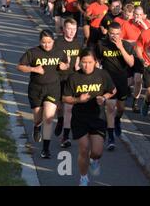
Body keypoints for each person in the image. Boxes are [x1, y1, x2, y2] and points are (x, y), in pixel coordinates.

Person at [62, 48, 116, 186]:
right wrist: (78, 100)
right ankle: (83, 177)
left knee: (97, 151)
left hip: (97, 117)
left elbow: (113, 90)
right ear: (79, 62)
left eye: (90, 62)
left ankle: (94, 160)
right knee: (84, 148)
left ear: (96, 62)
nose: (87, 65)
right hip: (80, 118)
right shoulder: (73, 77)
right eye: (84, 62)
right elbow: (65, 98)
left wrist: (104, 98)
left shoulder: (102, 75)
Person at [17, 30, 69, 158]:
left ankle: (45, 149)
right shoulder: (33, 52)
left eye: (49, 42)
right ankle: (36, 126)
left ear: (53, 41)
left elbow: (66, 63)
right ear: (40, 42)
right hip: (36, 89)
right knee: (38, 117)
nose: (46, 45)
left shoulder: (59, 52)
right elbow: (20, 66)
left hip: (53, 88)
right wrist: (34, 69)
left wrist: (65, 66)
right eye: (43, 42)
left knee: (49, 117)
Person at [96, 22, 135, 150]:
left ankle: (117, 120)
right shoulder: (101, 44)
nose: (114, 36)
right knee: (111, 108)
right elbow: (97, 61)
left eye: (117, 34)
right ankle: (111, 137)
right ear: (108, 32)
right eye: (112, 33)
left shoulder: (126, 45)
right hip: (108, 81)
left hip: (122, 80)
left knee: (121, 108)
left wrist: (120, 48)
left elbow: (131, 63)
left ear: (121, 34)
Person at [54, 19, 82, 148]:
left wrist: (79, 66)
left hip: (72, 79)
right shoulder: (58, 43)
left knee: (69, 108)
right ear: (64, 29)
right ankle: (60, 120)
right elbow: (52, 60)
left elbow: (80, 59)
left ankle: (65, 137)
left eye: (74, 29)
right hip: (58, 78)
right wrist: (61, 65)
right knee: (59, 107)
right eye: (69, 29)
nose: (71, 32)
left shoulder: (78, 43)